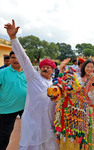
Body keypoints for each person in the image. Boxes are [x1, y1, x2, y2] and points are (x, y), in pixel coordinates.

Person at [4, 19, 67, 150]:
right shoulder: (33, 78)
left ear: (52, 70)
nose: (45, 68)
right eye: (43, 66)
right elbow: (23, 58)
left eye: (48, 67)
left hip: (48, 126)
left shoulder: (53, 85)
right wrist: (13, 37)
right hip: (33, 125)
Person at [0, 51, 27, 150]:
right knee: (4, 135)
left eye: (18, 57)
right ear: (10, 59)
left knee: (30, 131)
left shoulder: (28, 72)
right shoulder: (2, 72)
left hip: (25, 108)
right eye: (13, 57)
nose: (15, 60)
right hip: (6, 109)